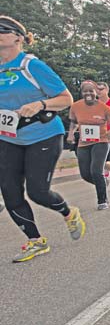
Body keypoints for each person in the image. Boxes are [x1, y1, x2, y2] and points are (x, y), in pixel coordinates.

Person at [0, 15, 85, 262]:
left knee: (38, 192)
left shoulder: (32, 66)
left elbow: (65, 99)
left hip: (43, 134)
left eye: (2, 30)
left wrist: (40, 103)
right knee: (11, 193)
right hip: (9, 137)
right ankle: (35, 241)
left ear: (18, 37)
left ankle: (69, 213)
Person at [68, 81, 110, 209]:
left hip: (101, 141)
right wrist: (71, 134)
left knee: (96, 171)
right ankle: (103, 181)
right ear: (82, 92)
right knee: (85, 174)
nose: (88, 93)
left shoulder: (104, 107)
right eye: (85, 91)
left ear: (96, 92)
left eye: (91, 91)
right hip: (83, 143)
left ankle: (102, 200)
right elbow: (73, 122)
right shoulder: (75, 106)